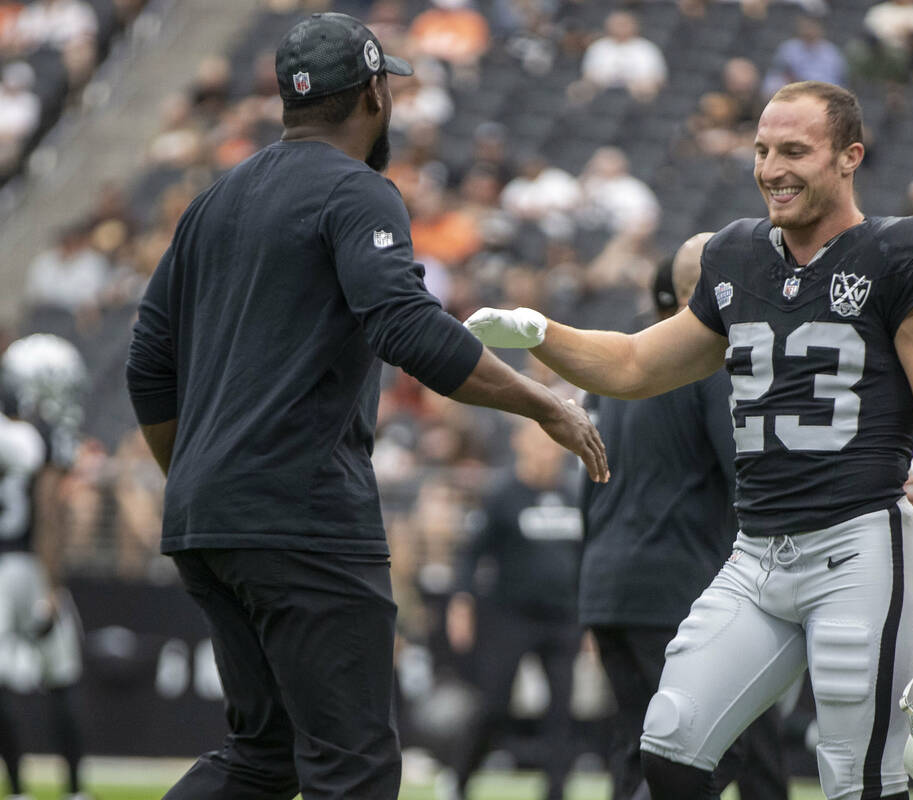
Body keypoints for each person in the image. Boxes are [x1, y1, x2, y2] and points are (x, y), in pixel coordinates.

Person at [465, 80, 913, 800]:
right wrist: (542, 333)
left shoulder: (902, 252)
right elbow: (634, 363)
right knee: (672, 743)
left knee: (857, 779)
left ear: (850, 157)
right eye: (761, 149)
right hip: (758, 552)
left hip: (859, 547)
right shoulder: (737, 256)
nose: (772, 167)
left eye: (794, 150)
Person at [123, 13, 607, 800]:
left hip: (208, 516)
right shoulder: (358, 189)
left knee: (262, 758)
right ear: (377, 93)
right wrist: (542, 402)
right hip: (301, 517)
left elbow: (148, 366)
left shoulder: (211, 202)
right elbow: (406, 325)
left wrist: (203, 480)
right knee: (354, 767)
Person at [579, 236, 788, 800]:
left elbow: (588, 489)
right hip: (678, 586)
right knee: (710, 747)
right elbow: (748, 477)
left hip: (607, 589)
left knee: (636, 749)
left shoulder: (615, 372)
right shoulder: (704, 364)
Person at [442, 417, 586, 800]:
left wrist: (589, 618)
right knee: (493, 704)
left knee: (561, 713)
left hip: (563, 619)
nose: (546, 450)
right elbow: (471, 554)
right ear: (521, 445)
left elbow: (585, 558)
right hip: (511, 616)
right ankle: (459, 779)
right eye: (538, 442)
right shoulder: (503, 494)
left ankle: (556, 791)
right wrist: (462, 601)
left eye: (551, 443)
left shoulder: (573, 495)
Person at [0, 335, 90, 800]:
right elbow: (49, 508)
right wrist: (51, 583)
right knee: (62, 678)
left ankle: (16, 790)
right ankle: (74, 791)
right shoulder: (42, 434)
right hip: (30, 566)